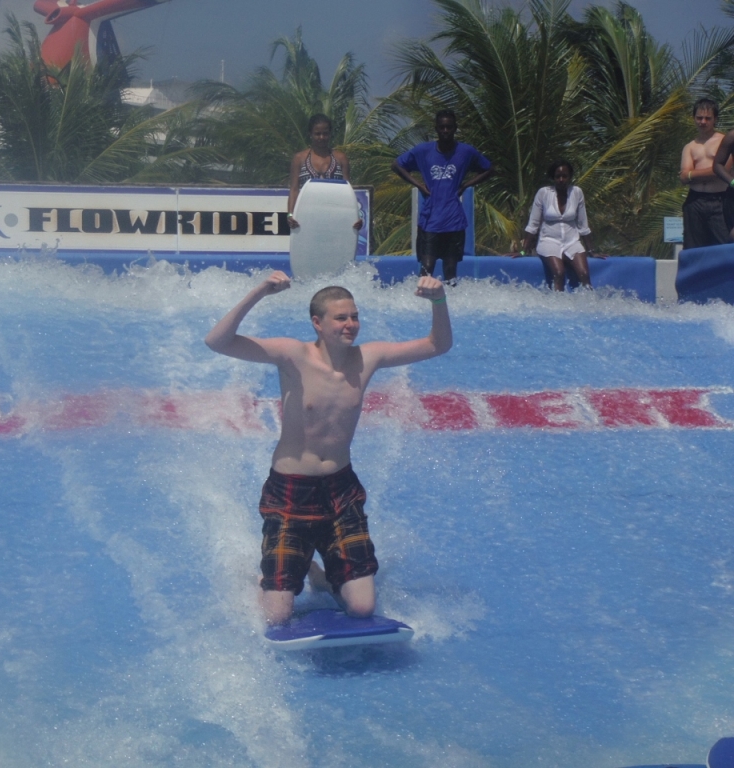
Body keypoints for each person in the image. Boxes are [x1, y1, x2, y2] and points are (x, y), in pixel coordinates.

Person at [204, 272, 452, 624]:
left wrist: (438, 301)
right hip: (291, 490)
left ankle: (319, 573)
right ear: (317, 323)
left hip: (340, 489)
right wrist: (259, 291)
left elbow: (438, 344)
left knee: (362, 608)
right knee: (276, 617)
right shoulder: (292, 355)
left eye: (355, 316)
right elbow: (217, 341)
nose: (351, 324)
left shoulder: (369, 357)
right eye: (341, 318)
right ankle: (276, 577)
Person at [392, 110, 494, 283]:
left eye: (449, 127)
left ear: (455, 128)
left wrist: (467, 184)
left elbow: (490, 169)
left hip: (454, 220)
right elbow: (396, 165)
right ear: (436, 129)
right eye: (442, 127)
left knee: (450, 271)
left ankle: (449, 307)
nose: (445, 131)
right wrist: (418, 184)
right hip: (430, 219)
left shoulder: (465, 152)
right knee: (426, 268)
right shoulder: (424, 151)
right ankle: (422, 305)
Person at [516, 160, 602, 291]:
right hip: (548, 241)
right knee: (559, 273)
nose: (561, 179)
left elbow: (583, 226)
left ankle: (591, 305)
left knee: (584, 275)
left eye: (565, 176)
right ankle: (558, 308)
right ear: (553, 177)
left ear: (570, 177)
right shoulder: (543, 193)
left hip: (572, 241)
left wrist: (592, 251)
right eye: (558, 176)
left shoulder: (577, 193)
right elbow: (532, 225)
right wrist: (523, 251)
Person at [287, 114, 361, 231]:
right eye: (317, 134)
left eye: (325, 133)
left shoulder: (341, 158)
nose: (321, 137)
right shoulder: (299, 158)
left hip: (335, 217)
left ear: (330, 134)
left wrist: (356, 216)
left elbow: (347, 191)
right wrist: (290, 214)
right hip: (306, 217)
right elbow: (294, 189)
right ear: (310, 134)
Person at [680, 98, 733, 249]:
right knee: (693, 248)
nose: (703, 122)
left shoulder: (724, 141)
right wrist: (689, 175)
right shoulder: (690, 146)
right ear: (694, 118)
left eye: (707, 118)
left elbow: (722, 170)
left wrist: (692, 174)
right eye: (699, 118)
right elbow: (683, 177)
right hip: (695, 200)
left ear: (715, 119)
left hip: (720, 200)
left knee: (723, 246)